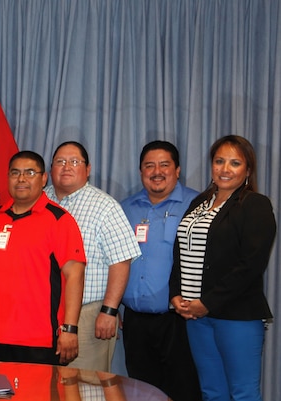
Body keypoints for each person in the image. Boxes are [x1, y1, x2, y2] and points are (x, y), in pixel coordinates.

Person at [170, 135, 276, 401]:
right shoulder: (199, 203)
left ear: (248, 170)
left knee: (243, 394)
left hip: (236, 316)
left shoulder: (255, 205)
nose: (225, 169)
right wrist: (176, 295)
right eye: (219, 161)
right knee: (211, 392)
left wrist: (208, 302)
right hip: (195, 317)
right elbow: (181, 252)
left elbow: (251, 265)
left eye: (235, 163)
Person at [0, 151, 86, 365]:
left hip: (41, 339)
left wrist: (70, 328)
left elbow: (75, 275)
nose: (21, 179)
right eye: (15, 173)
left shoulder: (59, 220)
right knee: (1, 397)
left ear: (43, 179)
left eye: (29, 173)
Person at [43, 141, 141, 372]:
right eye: (60, 161)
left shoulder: (105, 206)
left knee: (86, 387)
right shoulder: (39, 201)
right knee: (46, 386)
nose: (67, 167)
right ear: (50, 170)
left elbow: (121, 261)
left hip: (87, 314)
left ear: (87, 170)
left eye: (74, 162)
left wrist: (109, 311)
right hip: (43, 315)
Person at [120, 141, 201, 400]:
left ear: (177, 170)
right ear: (141, 171)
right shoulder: (125, 208)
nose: (157, 171)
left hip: (180, 320)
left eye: (164, 165)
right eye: (149, 165)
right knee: (142, 391)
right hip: (135, 321)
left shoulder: (198, 204)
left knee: (185, 389)